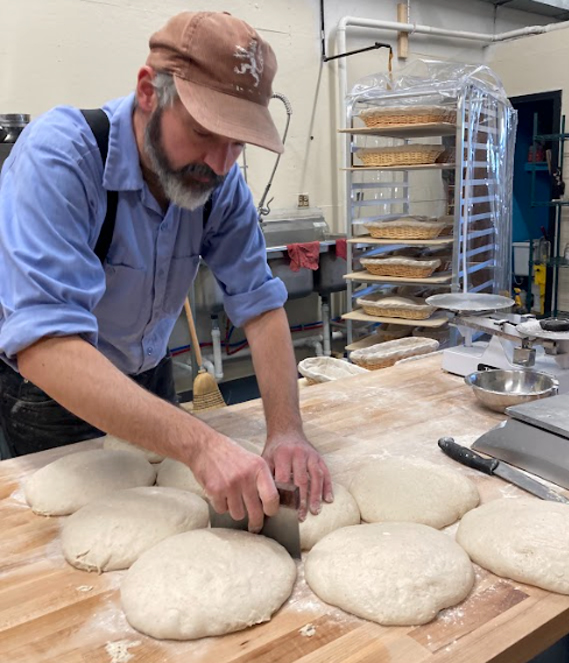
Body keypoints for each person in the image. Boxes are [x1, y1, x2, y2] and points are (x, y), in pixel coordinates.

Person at [0, 11, 333, 531]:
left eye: (238, 142)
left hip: (149, 379)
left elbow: (261, 306)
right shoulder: (62, 158)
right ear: (148, 93)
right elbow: (46, 344)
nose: (220, 163)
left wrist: (286, 430)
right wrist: (201, 444)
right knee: (75, 542)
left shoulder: (220, 185)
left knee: (169, 527)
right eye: (204, 131)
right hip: (54, 391)